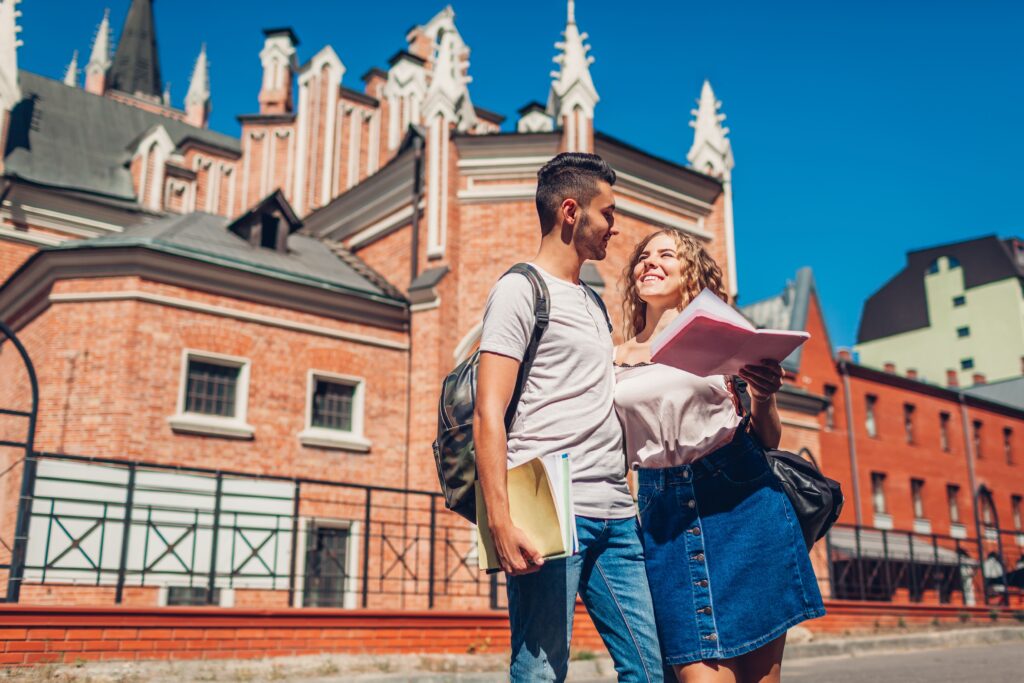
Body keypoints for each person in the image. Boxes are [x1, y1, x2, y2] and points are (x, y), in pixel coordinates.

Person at [475, 152, 663, 682]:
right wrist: (499, 518)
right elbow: (489, 413)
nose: (615, 226)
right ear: (571, 212)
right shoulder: (520, 289)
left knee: (649, 671)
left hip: (618, 515)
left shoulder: (593, 302)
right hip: (550, 507)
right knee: (540, 672)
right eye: (608, 213)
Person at [614, 229, 825, 683]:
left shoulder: (722, 335)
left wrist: (765, 397)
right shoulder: (613, 357)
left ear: (691, 272)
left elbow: (766, 440)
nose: (650, 262)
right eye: (643, 257)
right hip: (664, 517)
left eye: (667, 255)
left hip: (744, 505)